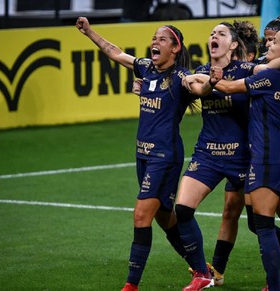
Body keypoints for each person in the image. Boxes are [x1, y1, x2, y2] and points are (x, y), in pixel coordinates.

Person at [75, 17, 197, 291]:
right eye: (154, 38)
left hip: (164, 156)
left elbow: (197, 87)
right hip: (142, 154)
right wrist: (89, 32)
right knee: (164, 217)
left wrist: (210, 82)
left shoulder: (179, 77)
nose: (155, 42)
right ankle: (202, 269)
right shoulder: (145, 68)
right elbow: (114, 52)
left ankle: (131, 285)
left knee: (142, 214)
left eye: (162, 39)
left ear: (175, 48)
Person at [208, 27, 280, 291]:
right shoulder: (266, 71)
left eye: (271, 43)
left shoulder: (263, 74)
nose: (265, 50)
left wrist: (213, 80)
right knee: (256, 219)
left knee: (270, 221)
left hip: (264, 156)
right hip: (250, 155)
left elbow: (229, 85)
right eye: (266, 43)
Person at [176, 21, 256, 291]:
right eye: (212, 34)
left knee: (254, 222)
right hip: (208, 153)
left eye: (221, 34)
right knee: (183, 209)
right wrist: (198, 79)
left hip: (242, 156)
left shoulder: (246, 70)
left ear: (233, 45)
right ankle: (203, 273)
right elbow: (195, 86)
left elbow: (268, 75)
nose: (214, 37)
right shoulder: (201, 71)